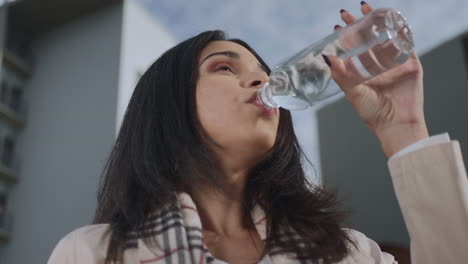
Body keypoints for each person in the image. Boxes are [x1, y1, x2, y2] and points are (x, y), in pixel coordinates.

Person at [48, 3, 468, 264]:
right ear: (167, 105)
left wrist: (404, 129)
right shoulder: (95, 254)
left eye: (265, 73)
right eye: (225, 68)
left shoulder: (347, 253)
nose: (260, 82)